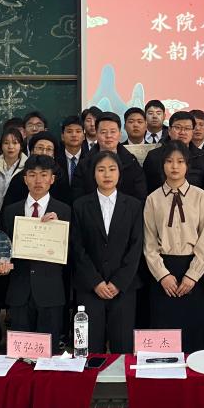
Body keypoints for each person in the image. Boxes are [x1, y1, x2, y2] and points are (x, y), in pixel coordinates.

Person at [0, 155, 71, 347]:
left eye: (44, 175)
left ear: (52, 179)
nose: (38, 180)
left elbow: (73, 252)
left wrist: (58, 229)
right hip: (19, 291)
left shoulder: (64, 211)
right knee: (20, 352)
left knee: (48, 353)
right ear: (25, 179)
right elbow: (0, 246)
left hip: (51, 292)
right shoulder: (11, 211)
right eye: (32, 175)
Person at [70, 151, 144, 353]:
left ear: (120, 173)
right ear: (93, 174)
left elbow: (136, 247)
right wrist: (95, 282)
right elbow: (77, 247)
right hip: (89, 287)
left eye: (112, 169)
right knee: (90, 349)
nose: (107, 174)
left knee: (123, 348)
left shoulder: (134, 206)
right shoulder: (80, 205)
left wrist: (118, 282)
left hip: (124, 287)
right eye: (101, 170)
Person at [143, 142, 204, 354]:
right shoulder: (153, 199)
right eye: (169, 161)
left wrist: (193, 275)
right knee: (164, 336)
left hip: (193, 271)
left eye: (180, 161)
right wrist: (162, 275)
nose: (174, 166)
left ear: (187, 165)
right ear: (162, 165)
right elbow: (149, 242)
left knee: (192, 337)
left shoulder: (200, 196)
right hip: (163, 273)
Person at [72, 113, 147, 202]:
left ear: (120, 134)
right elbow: (78, 199)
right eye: (103, 132)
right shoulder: (84, 164)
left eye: (113, 131)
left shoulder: (131, 162)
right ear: (96, 134)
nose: (108, 136)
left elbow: (140, 197)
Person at [141, 111, 204, 194]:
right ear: (169, 130)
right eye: (178, 127)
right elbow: (147, 187)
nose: (182, 132)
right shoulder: (154, 156)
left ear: (192, 131)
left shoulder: (203, 157)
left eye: (187, 128)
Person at [0, 127, 29, 210]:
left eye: (15, 143)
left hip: (18, 213)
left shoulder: (28, 168)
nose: (10, 147)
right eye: (6, 143)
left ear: (21, 146)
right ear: (1, 146)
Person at [58, 116, 86, 184]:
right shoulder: (55, 159)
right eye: (69, 131)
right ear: (62, 137)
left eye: (78, 131)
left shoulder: (90, 159)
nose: (74, 135)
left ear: (84, 136)